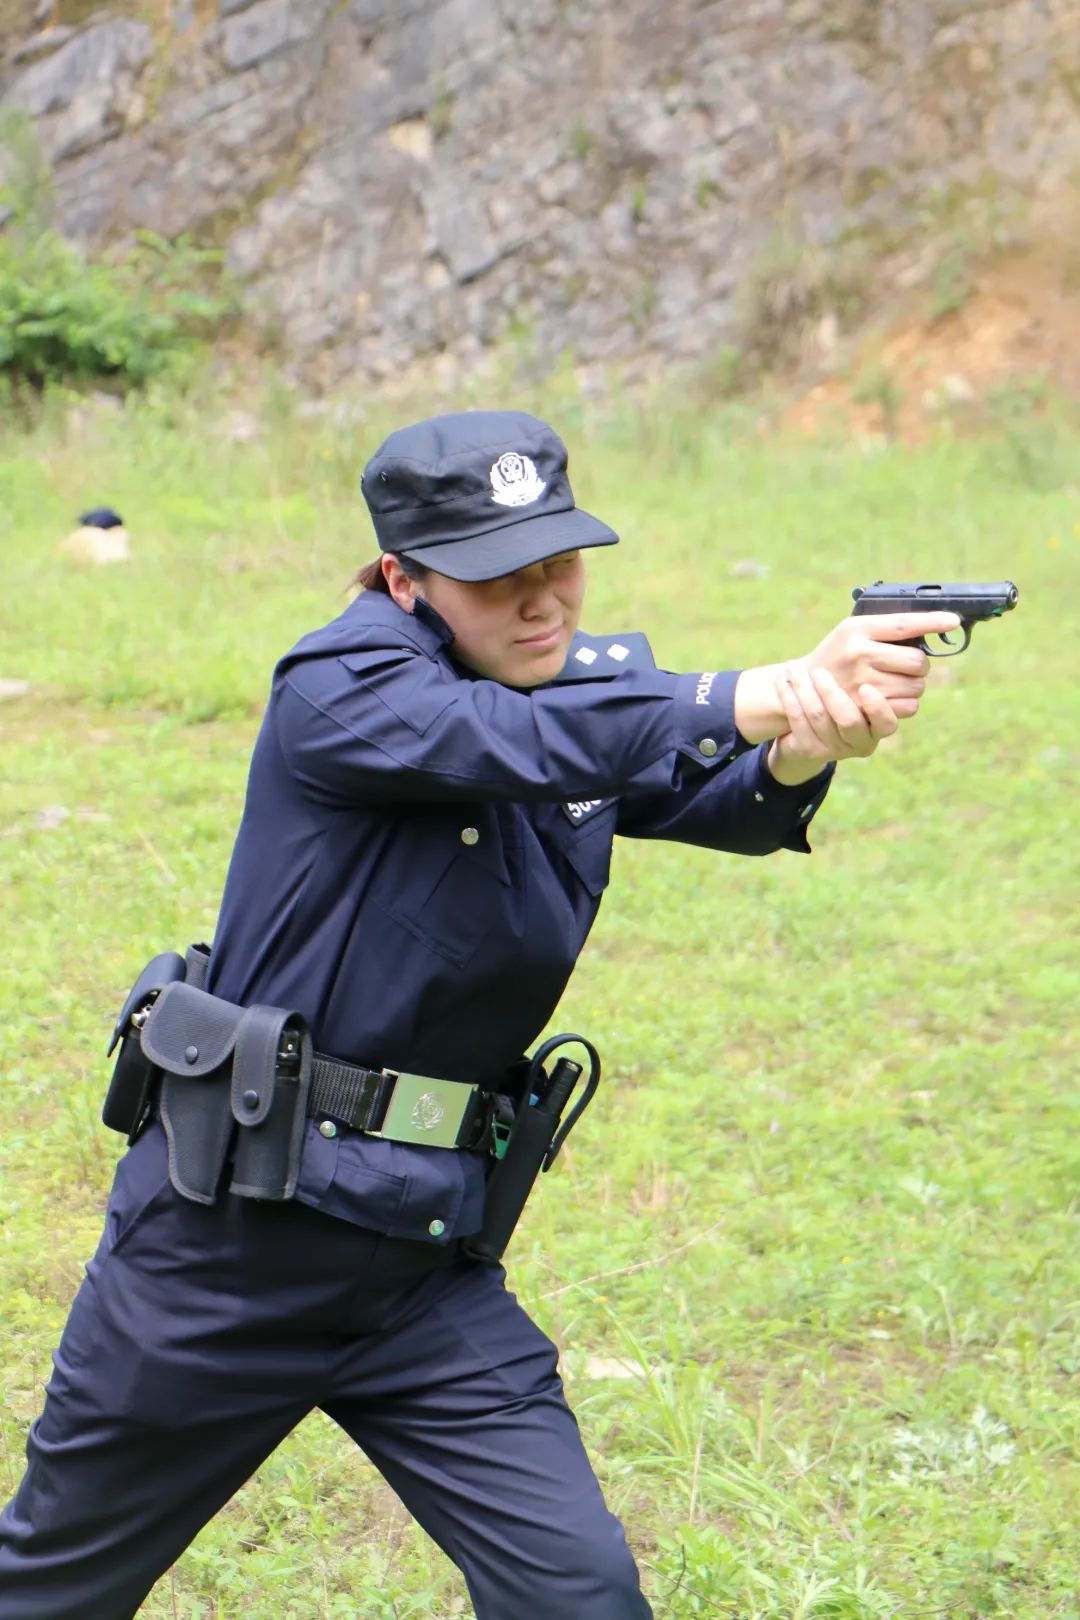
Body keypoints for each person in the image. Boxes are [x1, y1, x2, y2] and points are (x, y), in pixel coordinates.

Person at [0, 410, 959, 1619]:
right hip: (228, 1250)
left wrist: (802, 743)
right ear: (404, 577)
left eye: (557, 561)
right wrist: (757, 687)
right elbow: (509, 741)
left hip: (419, 1264)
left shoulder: (562, 688)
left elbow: (704, 785)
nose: (543, 600)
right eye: (498, 577)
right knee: (49, 1591)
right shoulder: (342, 689)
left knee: (582, 1594)